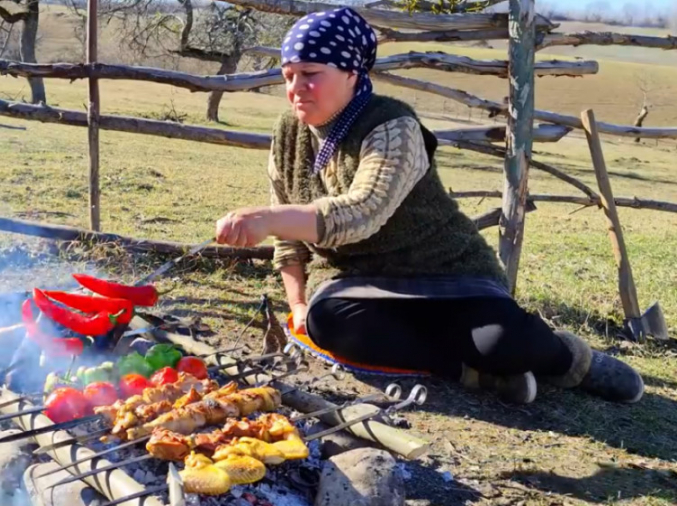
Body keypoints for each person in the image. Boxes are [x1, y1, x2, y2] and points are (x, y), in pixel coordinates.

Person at [213, 7, 644, 405]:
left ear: (350, 72)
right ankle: (473, 375)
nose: (295, 89)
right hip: (361, 283)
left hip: (448, 275)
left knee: (502, 341)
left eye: (309, 73)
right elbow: (290, 244)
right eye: (287, 75)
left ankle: (572, 361)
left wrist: (266, 220)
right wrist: (299, 305)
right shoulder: (289, 133)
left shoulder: (393, 127)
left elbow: (361, 213)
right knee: (329, 324)